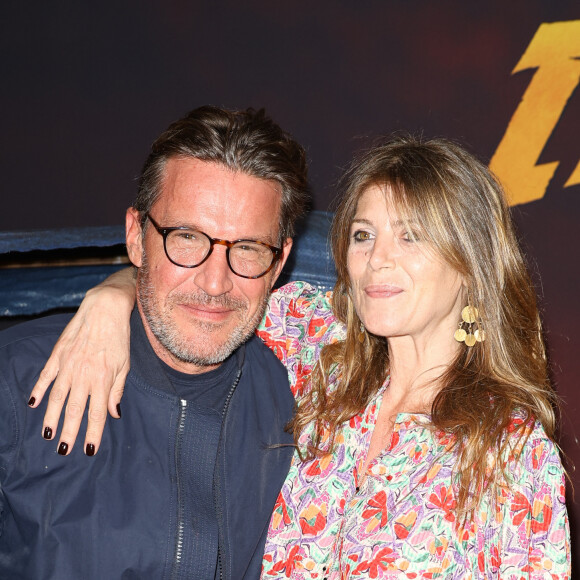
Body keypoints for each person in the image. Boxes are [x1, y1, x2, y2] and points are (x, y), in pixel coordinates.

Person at [30, 136, 571, 578]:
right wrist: (109, 300)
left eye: (411, 237)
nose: (377, 260)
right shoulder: (323, 352)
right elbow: (200, 290)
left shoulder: (511, 454)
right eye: (364, 235)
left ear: (471, 264)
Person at [0, 105, 310, 579]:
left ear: (280, 258)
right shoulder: (17, 379)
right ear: (136, 236)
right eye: (186, 238)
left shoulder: (308, 399)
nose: (214, 282)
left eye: (247, 248)